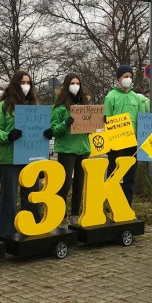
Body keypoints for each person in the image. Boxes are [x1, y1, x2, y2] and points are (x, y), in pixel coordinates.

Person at [0, 70, 40, 238]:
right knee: (9, 196)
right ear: (14, 85)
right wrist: (8, 136)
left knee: (33, 194)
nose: (26, 86)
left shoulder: (34, 106)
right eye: (22, 82)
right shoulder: (2, 107)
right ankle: (5, 233)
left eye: (28, 82)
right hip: (10, 157)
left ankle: (33, 227)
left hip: (30, 157)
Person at [46, 74, 90, 224]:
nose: (75, 85)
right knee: (65, 185)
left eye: (78, 83)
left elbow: (90, 129)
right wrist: (65, 123)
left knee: (79, 185)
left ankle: (75, 215)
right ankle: (61, 215)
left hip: (83, 149)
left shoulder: (85, 104)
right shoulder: (59, 107)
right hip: (66, 149)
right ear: (66, 85)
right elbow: (53, 130)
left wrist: (98, 122)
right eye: (72, 83)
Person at [103, 65, 148, 205]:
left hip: (132, 144)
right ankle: (112, 205)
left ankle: (127, 206)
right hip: (116, 145)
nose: (128, 79)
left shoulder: (136, 97)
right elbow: (105, 120)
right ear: (118, 79)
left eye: (130, 76)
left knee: (130, 177)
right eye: (125, 76)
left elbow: (142, 118)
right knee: (114, 176)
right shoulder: (110, 97)